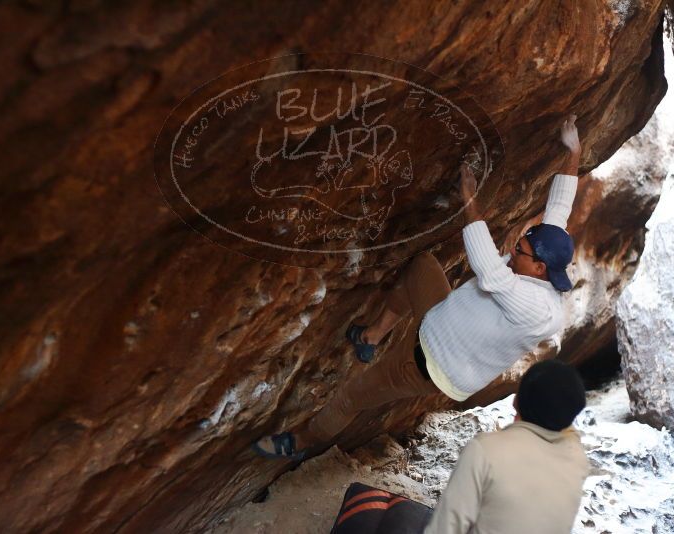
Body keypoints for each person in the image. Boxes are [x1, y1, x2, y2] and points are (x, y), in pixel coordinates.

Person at [252, 114, 583, 460]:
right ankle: (372, 336)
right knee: (421, 267)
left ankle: (298, 441)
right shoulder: (546, 261)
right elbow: (559, 209)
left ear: (541, 269)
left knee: (351, 397)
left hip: (431, 362)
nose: (513, 249)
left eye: (521, 251)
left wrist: (470, 201)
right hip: (441, 318)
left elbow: (489, 272)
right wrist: (572, 151)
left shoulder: (539, 309)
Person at [424, 359, 590, 534]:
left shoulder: (485, 450)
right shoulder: (578, 459)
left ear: (515, 401)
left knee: (407, 513)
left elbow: (443, 529)